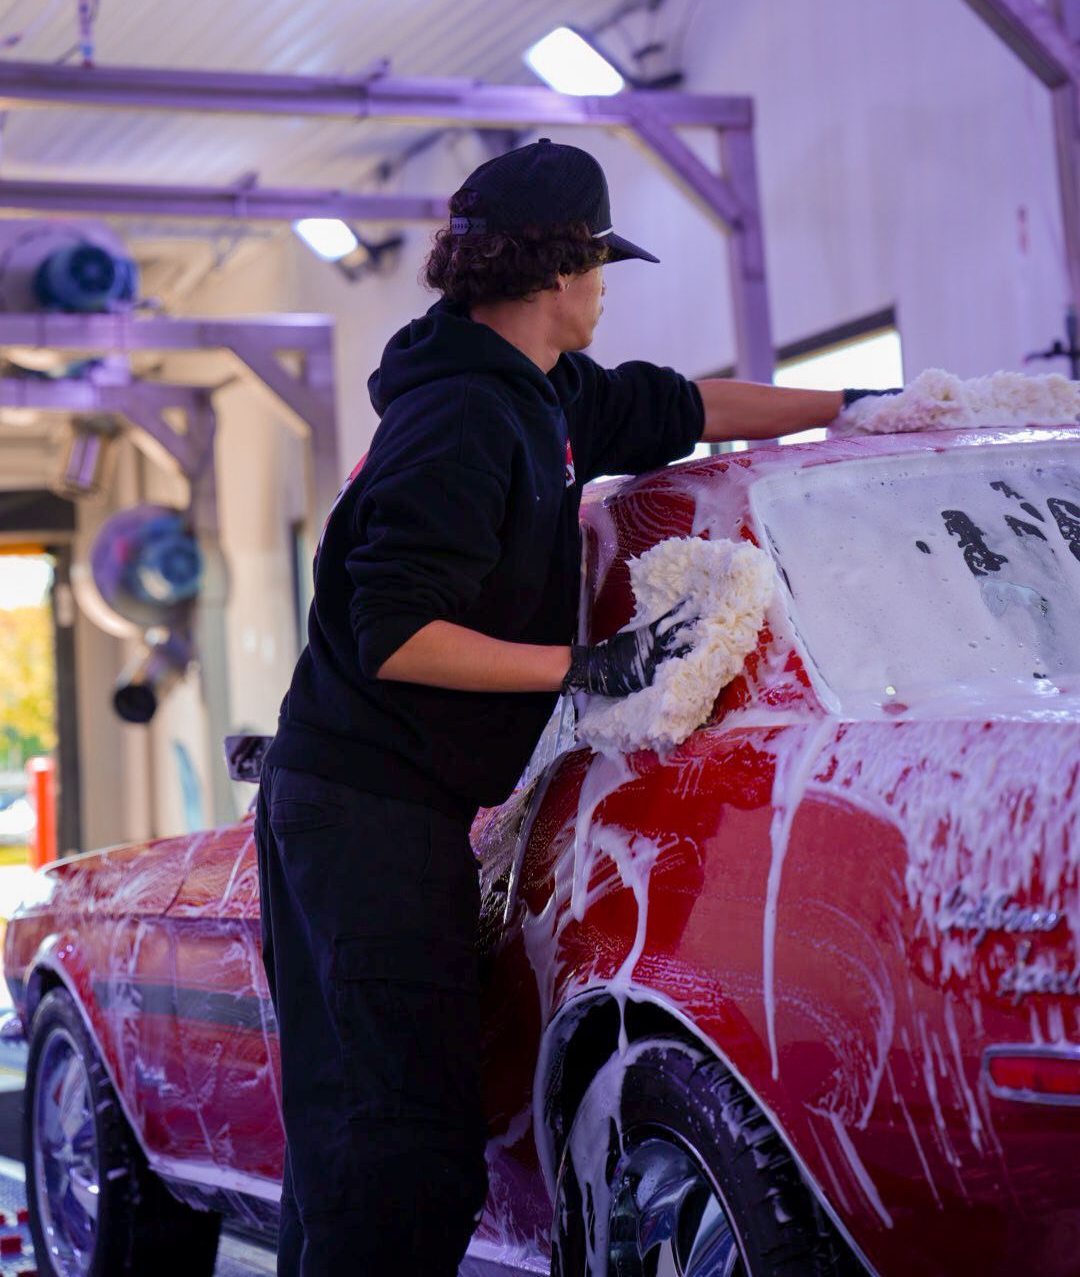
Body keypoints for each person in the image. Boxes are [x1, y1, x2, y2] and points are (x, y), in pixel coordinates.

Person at [255, 139, 858, 1275]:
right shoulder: (463, 426)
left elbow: (687, 403)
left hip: (379, 806)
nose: (604, 288)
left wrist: (868, 405)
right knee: (399, 1146)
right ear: (559, 271)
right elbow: (398, 634)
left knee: (364, 1143)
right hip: (363, 813)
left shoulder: (539, 391)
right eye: (598, 265)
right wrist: (589, 669)